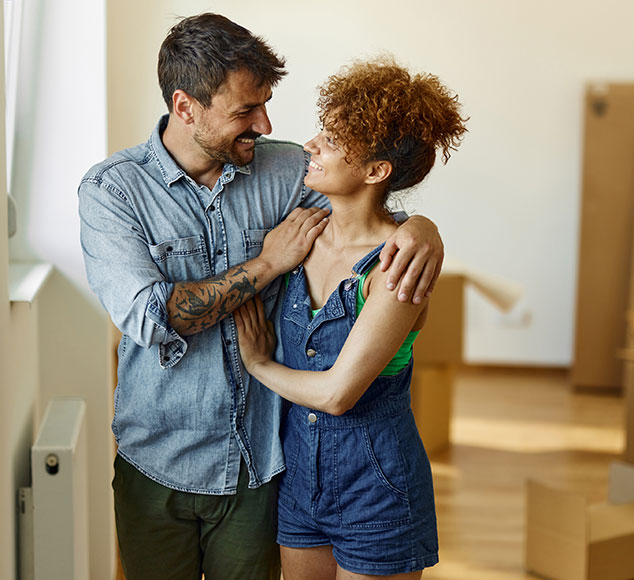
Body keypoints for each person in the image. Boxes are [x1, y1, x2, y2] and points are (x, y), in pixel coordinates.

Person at [78, 13, 444, 580]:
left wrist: (421, 226)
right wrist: (268, 263)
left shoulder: (284, 170)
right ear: (186, 106)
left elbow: (366, 203)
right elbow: (153, 317)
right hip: (157, 464)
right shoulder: (113, 192)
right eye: (245, 110)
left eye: (265, 103)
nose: (266, 123)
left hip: (263, 465)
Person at [234, 56, 467, 579]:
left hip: (377, 490)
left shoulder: (397, 265)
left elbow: (339, 394)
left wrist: (258, 364)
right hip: (298, 482)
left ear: (375, 171)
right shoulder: (301, 235)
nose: (311, 145)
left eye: (333, 140)